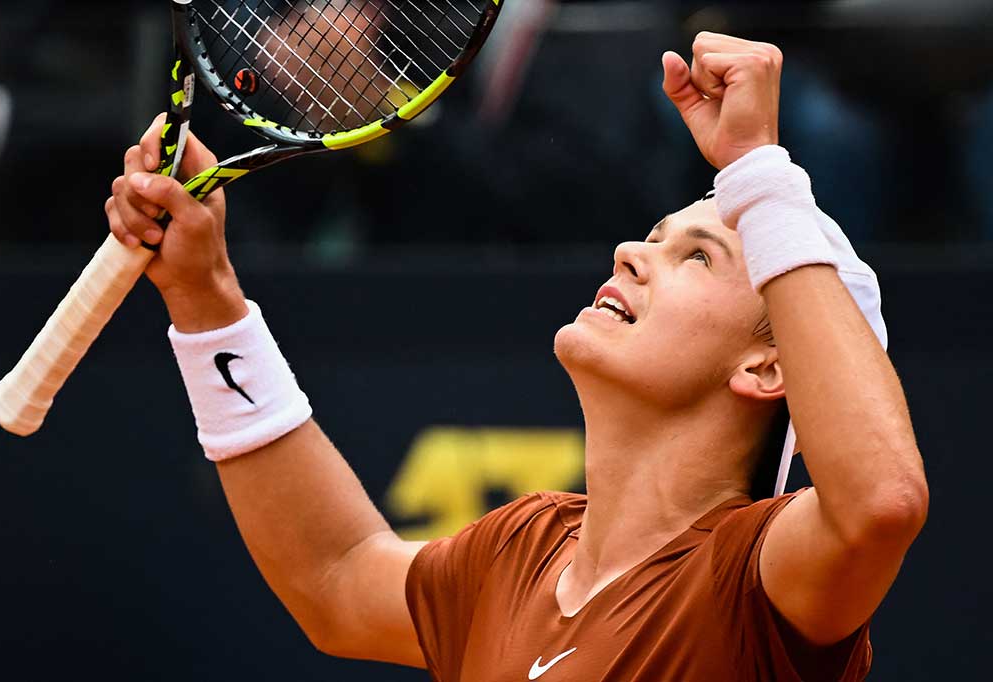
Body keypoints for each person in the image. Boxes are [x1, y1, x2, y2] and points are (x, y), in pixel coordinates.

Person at [106, 32, 928, 681]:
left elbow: (881, 503)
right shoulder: (519, 550)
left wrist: (760, 172)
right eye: (653, 236)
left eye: (700, 257)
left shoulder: (753, 579)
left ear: (768, 368)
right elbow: (335, 575)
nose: (630, 254)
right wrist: (207, 298)